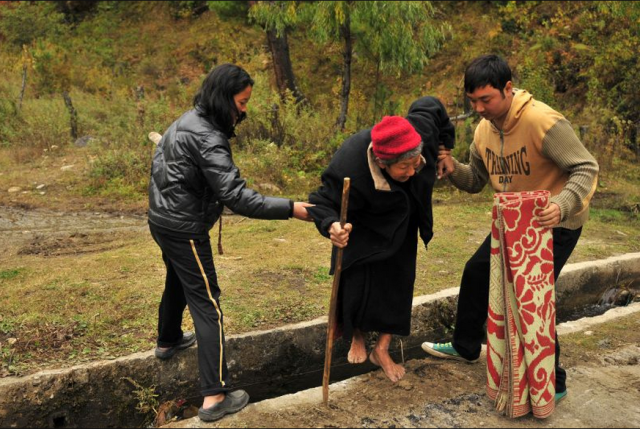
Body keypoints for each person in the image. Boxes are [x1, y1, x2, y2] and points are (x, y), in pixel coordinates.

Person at [422, 54, 599, 403]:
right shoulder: (483, 130)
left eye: (486, 99)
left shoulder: (542, 122)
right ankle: (466, 345)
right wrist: (451, 166)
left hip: (555, 222)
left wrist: (560, 205)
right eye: (472, 101)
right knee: (476, 273)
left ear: (507, 88)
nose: (479, 108)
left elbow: (586, 168)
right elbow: (475, 180)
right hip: (513, 223)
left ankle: (554, 381)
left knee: (530, 297)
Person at [147, 63, 313, 422]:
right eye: (242, 101)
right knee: (208, 304)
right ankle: (214, 396)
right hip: (183, 227)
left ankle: (168, 340)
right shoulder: (207, 135)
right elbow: (237, 197)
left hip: (161, 220)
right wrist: (292, 208)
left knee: (179, 278)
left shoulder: (187, 120)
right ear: (224, 99)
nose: (245, 109)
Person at [308, 97, 455, 383]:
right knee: (357, 277)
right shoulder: (348, 163)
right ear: (381, 161)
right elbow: (320, 202)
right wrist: (331, 226)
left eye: (417, 164)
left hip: (405, 213)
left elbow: (431, 105)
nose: (413, 172)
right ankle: (357, 337)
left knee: (400, 280)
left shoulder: (418, 132)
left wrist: (445, 148)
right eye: (405, 168)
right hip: (363, 218)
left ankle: (383, 349)